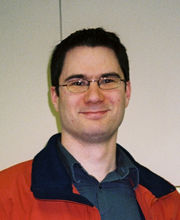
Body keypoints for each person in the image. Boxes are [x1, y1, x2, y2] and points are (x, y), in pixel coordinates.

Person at [0, 28, 179, 220]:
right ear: (55, 97)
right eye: (77, 83)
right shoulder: (5, 196)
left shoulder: (168, 202)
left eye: (108, 80)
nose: (94, 96)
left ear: (126, 92)